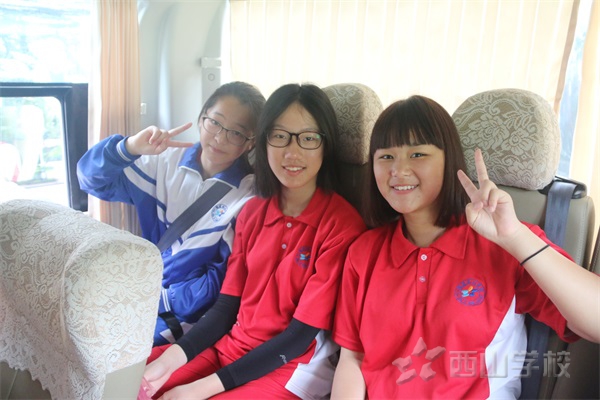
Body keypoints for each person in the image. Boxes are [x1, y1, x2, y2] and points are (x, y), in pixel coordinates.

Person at [331, 95, 599, 399]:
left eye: (417, 154)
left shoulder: (502, 242)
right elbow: (352, 358)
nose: (398, 169)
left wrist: (514, 237)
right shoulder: (364, 253)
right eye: (386, 156)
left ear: (449, 161)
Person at [139, 83, 366, 400]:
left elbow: (298, 337)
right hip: (230, 348)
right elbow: (225, 309)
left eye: (308, 138)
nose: (292, 152)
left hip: (291, 368)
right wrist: (165, 364)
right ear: (263, 141)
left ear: (325, 146)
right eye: (280, 136)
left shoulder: (341, 226)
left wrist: (196, 390)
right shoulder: (252, 212)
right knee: (129, 382)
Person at [77, 81, 266, 346]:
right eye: (215, 123)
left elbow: (217, 284)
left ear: (250, 143)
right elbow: (90, 180)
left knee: (116, 347)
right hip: (143, 289)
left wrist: (156, 298)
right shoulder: (163, 162)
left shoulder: (249, 197)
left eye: (236, 133)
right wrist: (129, 148)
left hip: (185, 315)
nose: (220, 138)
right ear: (202, 118)